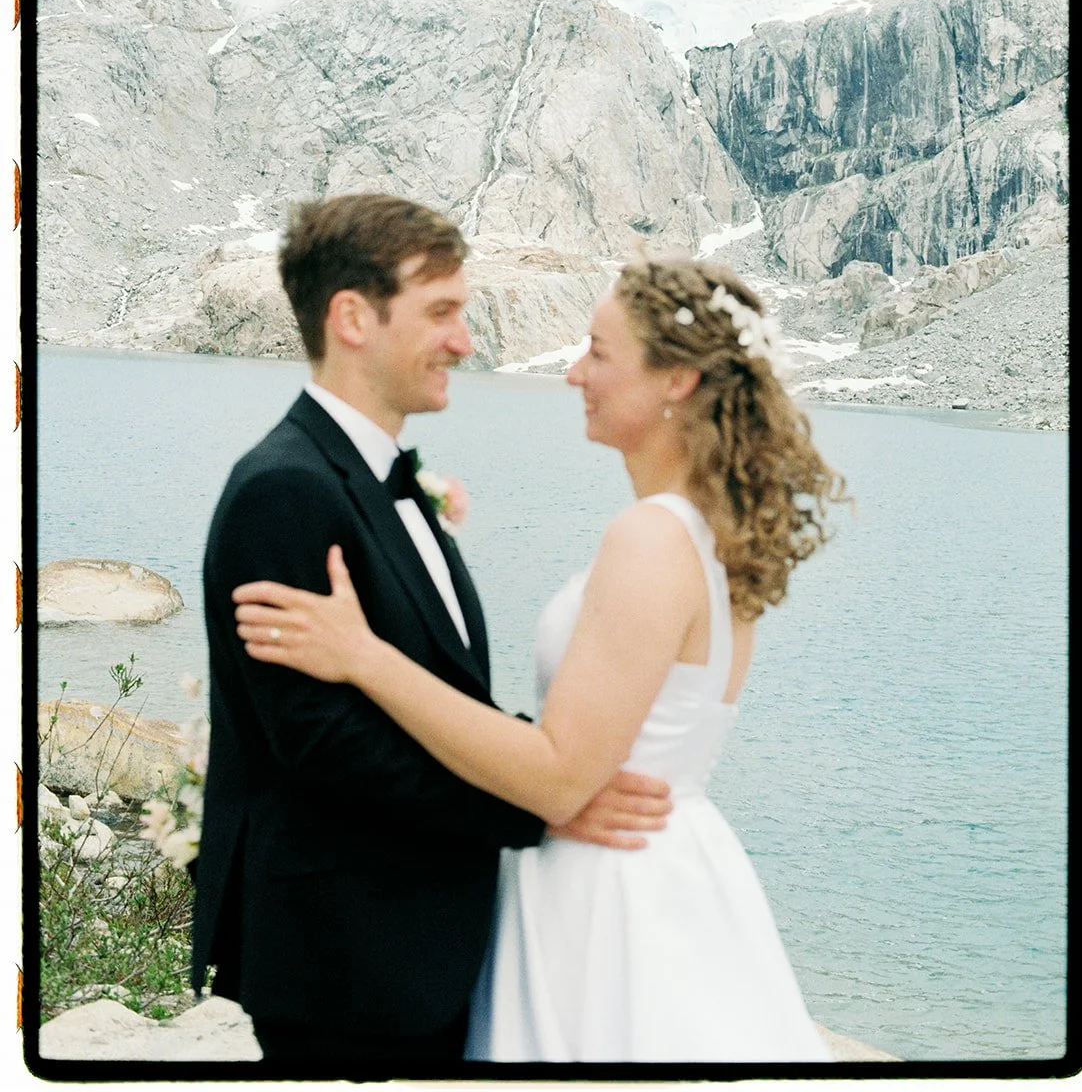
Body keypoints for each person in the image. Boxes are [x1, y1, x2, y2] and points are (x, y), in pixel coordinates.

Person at [234, 253, 849, 1063]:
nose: (574, 373)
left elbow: (560, 778)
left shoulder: (652, 538)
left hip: (607, 894)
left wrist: (363, 656)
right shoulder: (712, 533)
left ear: (676, 379)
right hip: (668, 866)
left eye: (599, 352)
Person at [191, 192, 673, 1068]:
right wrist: (541, 802)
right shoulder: (283, 491)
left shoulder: (381, 478)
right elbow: (321, 741)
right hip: (346, 963)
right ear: (352, 319)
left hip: (422, 953)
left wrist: (547, 771)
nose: (465, 341)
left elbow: (439, 695)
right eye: (442, 312)